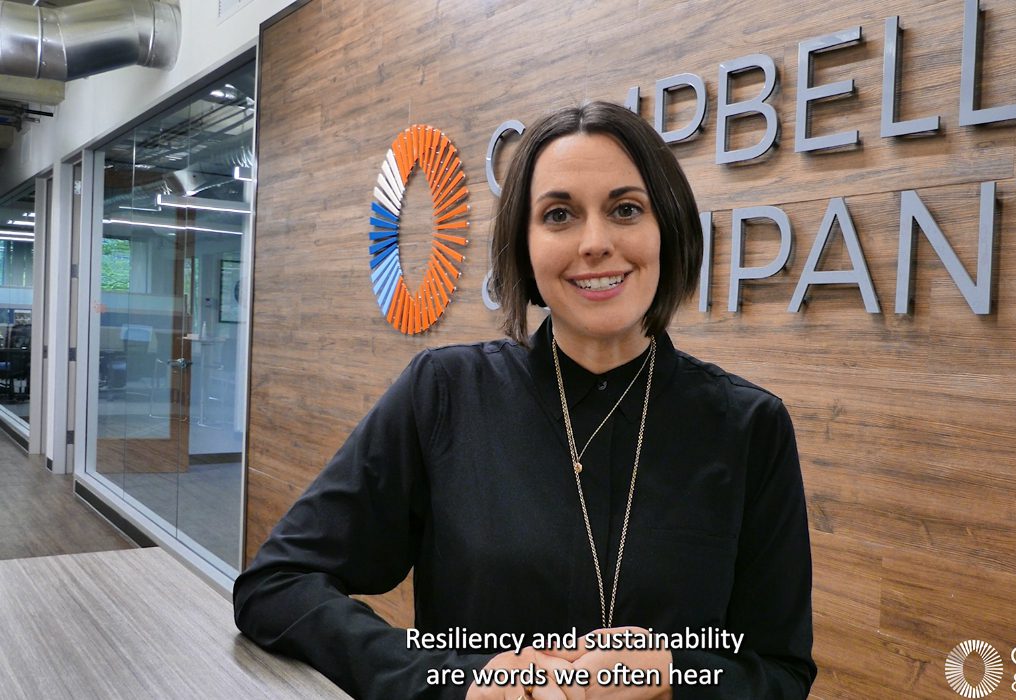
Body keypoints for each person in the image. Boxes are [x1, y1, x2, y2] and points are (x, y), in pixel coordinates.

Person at [233, 101, 815, 700]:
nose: (595, 243)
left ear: (668, 228)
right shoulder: (445, 394)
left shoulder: (749, 426)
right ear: (525, 247)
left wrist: (677, 677)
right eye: (559, 214)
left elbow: (780, 670)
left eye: (626, 209)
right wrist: (449, 682)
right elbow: (274, 585)